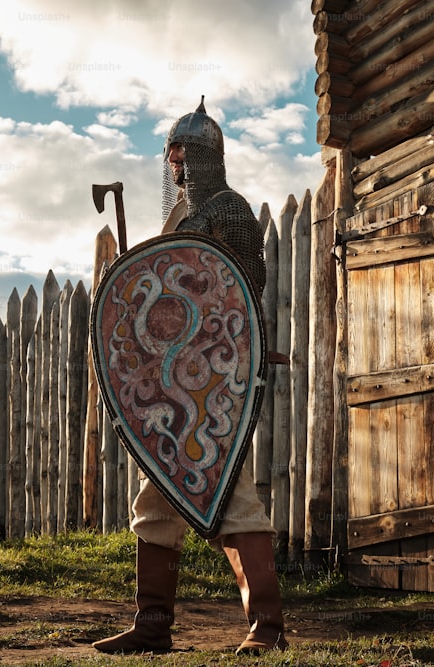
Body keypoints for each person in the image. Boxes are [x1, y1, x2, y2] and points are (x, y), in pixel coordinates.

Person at [92, 98, 287, 656]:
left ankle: (267, 629)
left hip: (217, 382)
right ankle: (152, 624)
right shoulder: (179, 220)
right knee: (155, 500)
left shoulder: (229, 212)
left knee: (234, 494)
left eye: (184, 153)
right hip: (172, 383)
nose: (175, 163)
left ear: (206, 156)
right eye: (171, 154)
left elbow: (240, 294)